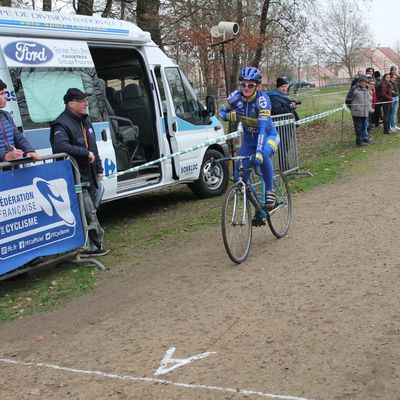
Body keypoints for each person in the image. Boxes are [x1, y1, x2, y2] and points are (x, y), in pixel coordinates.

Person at [50, 88, 109, 257]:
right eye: (82, 101)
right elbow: (60, 146)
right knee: (87, 211)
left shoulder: (86, 120)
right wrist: (85, 153)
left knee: (92, 209)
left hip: (90, 174)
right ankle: (92, 247)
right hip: (75, 177)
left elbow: (93, 147)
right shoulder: (61, 124)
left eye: (86, 100)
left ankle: (91, 244)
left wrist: (98, 167)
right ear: (71, 104)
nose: (86, 103)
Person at [219, 66, 280, 226]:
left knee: (263, 156)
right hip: (248, 142)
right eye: (243, 84)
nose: (246, 88)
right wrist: (228, 115)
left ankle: (270, 192)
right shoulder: (235, 97)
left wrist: (259, 152)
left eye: (251, 85)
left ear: (257, 86)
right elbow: (221, 112)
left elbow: (261, 129)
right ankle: (259, 209)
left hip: (268, 137)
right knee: (240, 180)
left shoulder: (262, 100)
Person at [0, 79, 40, 162]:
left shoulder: (6, 115)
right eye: (1, 94)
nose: (6, 97)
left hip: (11, 169)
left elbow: (18, 137)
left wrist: (29, 151)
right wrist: (4, 156)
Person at [267, 77, 299, 172]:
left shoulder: (282, 96)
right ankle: (284, 168)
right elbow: (277, 111)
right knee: (283, 147)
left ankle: (286, 167)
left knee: (285, 147)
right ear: (278, 88)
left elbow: (285, 107)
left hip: (287, 124)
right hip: (281, 126)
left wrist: (292, 107)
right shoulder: (273, 97)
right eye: (282, 87)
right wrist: (290, 108)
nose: (285, 88)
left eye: (286, 86)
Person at [345, 75, 373, 146]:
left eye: (365, 82)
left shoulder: (367, 89)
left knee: (364, 126)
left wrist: (369, 108)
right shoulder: (354, 89)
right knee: (358, 127)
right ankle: (359, 141)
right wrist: (353, 108)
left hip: (365, 111)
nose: (363, 83)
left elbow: (369, 99)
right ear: (359, 82)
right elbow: (347, 100)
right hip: (357, 112)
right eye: (362, 82)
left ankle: (365, 139)